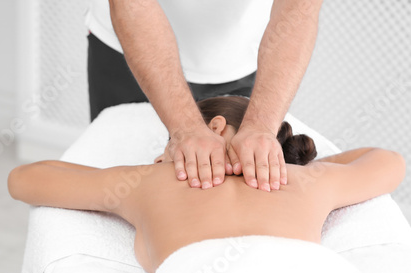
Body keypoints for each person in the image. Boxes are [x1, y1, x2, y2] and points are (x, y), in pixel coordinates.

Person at [7, 96, 406, 273]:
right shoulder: (306, 182)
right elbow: (389, 160)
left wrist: (151, 165)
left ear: (213, 127)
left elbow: (25, 178)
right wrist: (286, 164)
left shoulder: (148, 180)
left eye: (169, 140)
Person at [87, 0, 325, 192]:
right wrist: (185, 128)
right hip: (130, 43)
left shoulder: (131, 189)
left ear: (217, 127)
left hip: (243, 51)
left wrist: (261, 124)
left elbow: (300, 8)